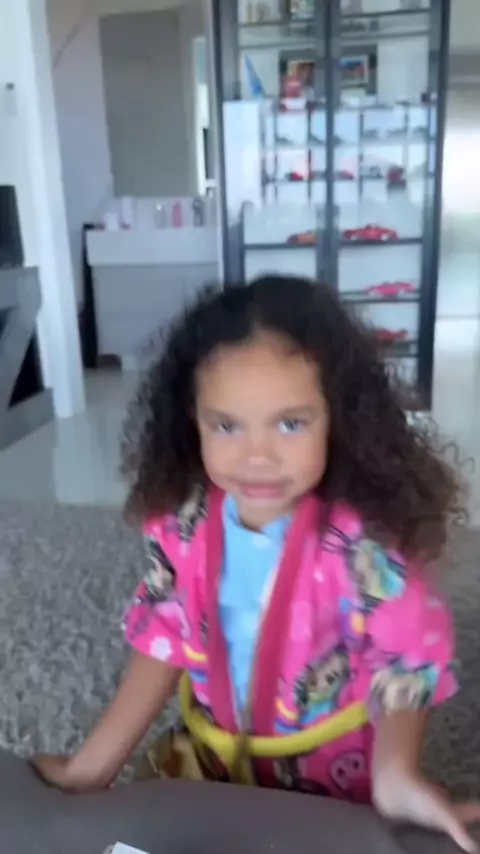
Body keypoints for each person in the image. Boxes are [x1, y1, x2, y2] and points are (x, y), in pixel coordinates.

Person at [33, 276, 480, 851]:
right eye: (226, 425)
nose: (257, 456)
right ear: (192, 419)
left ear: (338, 417)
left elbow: (406, 657)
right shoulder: (184, 525)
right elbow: (166, 635)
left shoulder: (366, 547)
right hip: (211, 765)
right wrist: (90, 768)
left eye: (291, 423)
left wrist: (395, 773)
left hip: (332, 785)